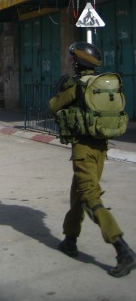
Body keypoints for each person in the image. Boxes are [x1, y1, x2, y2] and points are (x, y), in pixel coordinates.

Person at [48, 41, 136, 278]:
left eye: (72, 61)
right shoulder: (104, 84)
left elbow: (53, 107)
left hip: (84, 148)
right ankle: (70, 239)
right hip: (101, 147)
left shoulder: (77, 86)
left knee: (89, 197)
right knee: (79, 194)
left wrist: (61, 91)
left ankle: (122, 248)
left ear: (78, 63)